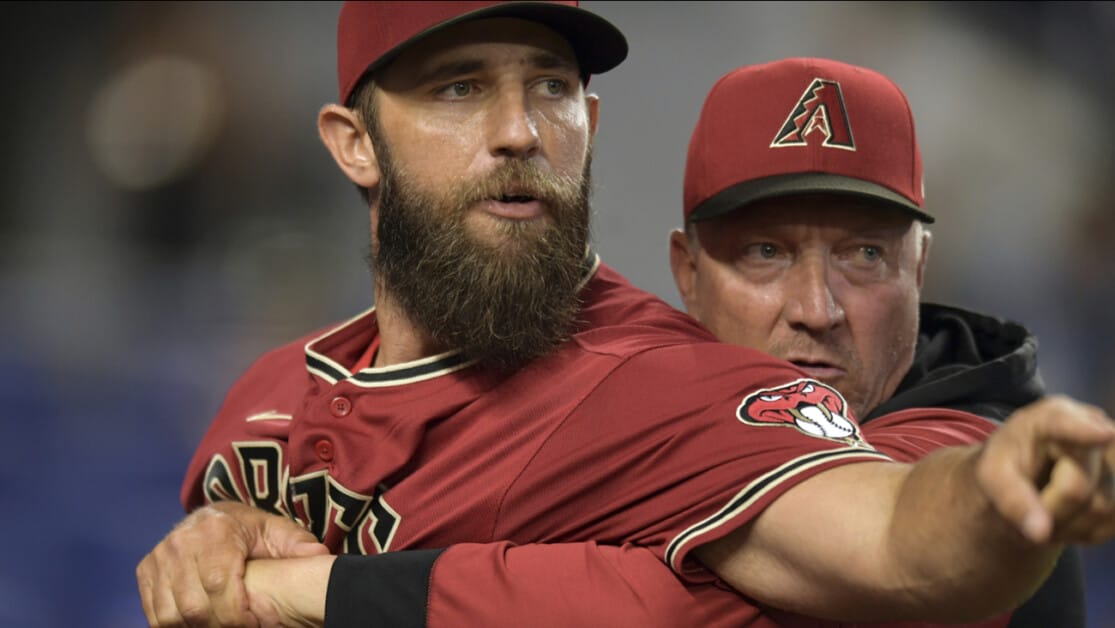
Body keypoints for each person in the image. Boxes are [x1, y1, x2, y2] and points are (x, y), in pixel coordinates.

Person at [135, 3, 1115, 627]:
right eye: (460, 86)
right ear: (354, 143)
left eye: (549, 87)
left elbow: (900, 541)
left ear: (588, 127)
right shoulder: (259, 404)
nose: (517, 128)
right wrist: (220, 530)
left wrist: (993, 496)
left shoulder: (668, 389)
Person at [666, 56, 1088, 628]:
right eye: (765, 252)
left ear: (918, 270)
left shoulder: (984, 467)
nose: (817, 310)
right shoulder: (649, 406)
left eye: (864, 254)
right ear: (689, 275)